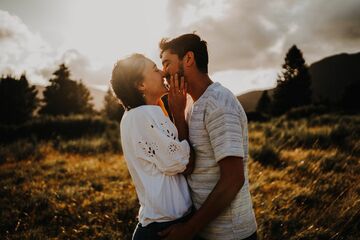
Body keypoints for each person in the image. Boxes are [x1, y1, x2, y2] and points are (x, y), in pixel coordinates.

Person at [158, 33, 258, 240]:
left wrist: (188, 230)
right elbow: (188, 162)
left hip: (230, 234)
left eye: (167, 63)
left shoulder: (219, 103)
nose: (163, 73)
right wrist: (177, 114)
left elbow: (233, 179)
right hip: (205, 230)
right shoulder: (189, 104)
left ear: (188, 59)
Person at [110, 53, 195, 240]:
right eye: (155, 69)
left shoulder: (139, 114)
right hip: (163, 229)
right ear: (141, 85)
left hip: (164, 224)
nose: (163, 72)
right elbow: (181, 164)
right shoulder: (143, 116)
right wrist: (179, 115)